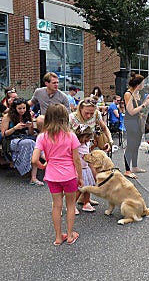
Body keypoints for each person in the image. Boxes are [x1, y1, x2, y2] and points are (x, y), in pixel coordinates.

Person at [31, 104, 83, 246]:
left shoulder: (42, 137)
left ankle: (58, 237)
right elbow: (76, 160)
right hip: (69, 175)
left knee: (56, 206)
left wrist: (44, 166)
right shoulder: (70, 136)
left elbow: (34, 160)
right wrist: (80, 177)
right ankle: (71, 234)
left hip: (52, 176)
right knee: (71, 205)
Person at [1, 98, 43, 185]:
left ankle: (33, 177)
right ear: (14, 108)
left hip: (24, 138)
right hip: (10, 140)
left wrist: (30, 126)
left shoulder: (27, 115)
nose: (22, 110)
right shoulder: (7, 117)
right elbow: (4, 134)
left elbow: (31, 134)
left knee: (36, 145)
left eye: (24, 108)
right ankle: (27, 170)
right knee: (30, 143)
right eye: (20, 108)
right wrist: (15, 128)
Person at [123, 73, 149, 178]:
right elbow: (131, 111)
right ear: (138, 84)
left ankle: (135, 166)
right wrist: (145, 104)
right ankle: (127, 170)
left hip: (138, 120)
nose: (144, 85)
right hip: (130, 121)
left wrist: (146, 102)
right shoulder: (128, 94)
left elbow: (139, 108)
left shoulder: (137, 93)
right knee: (131, 145)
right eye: (142, 83)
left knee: (136, 144)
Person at [73, 124, 97, 212]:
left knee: (89, 187)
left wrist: (94, 146)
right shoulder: (75, 144)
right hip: (79, 169)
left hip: (86, 168)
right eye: (87, 138)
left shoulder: (86, 143)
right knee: (79, 189)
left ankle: (86, 203)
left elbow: (87, 151)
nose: (88, 140)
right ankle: (72, 205)